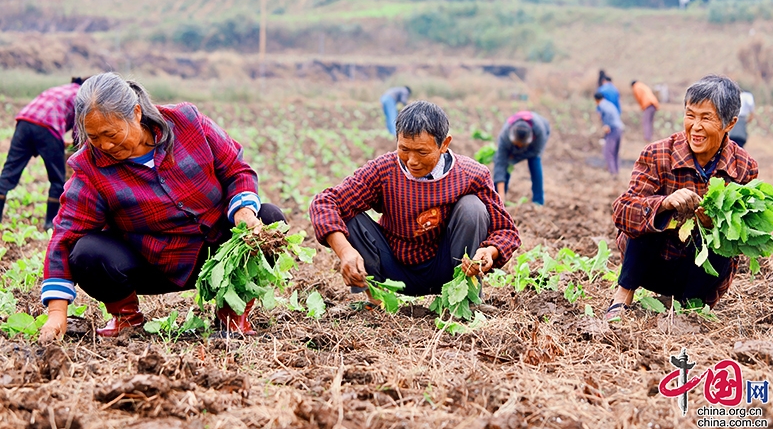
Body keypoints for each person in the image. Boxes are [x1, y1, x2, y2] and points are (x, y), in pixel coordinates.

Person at [38, 73, 285, 343]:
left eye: (111, 134)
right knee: (86, 252)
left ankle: (232, 311)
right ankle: (126, 320)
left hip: (217, 252)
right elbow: (66, 234)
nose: (105, 145)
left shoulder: (187, 122)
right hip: (153, 263)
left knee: (269, 220)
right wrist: (56, 311)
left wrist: (243, 213)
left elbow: (236, 169)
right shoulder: (90, 167)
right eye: (94, 137)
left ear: (136, 112)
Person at [309, 101, 520, 299]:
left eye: (422, 152)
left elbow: (506, 231)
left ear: (444, 144)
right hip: (392, 268)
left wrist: (488, 252)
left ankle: (464, 298)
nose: (412, 161)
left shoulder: (471, 174)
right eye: (404, 149)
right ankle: (376, 299)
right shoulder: (383, 170)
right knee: (350, 215)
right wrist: (345, 251)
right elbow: (325, 202)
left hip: (448, 267)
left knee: (472, 207)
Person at [606, 75, 758, 320]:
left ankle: (689, 306)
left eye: (706, 118)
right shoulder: (658, 154)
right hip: (650, 264)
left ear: (729, 124)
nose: (695, 126)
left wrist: (716, 223)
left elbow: (749, 237)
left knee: (725, 234)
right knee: (650, 213)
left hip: (697, 275)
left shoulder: (743, 167)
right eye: (690, 115)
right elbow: (622, 211)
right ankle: (624, 293)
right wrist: (664, 204)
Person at [0, 76, 84, 229]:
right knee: (58, 180)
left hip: (24, 123)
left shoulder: (60, 89)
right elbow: (78, 132)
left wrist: (58, 142)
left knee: (8, 174)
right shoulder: (83, 94)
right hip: (48, 128)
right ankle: (49, 224)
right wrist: (77, 147)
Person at [493, 111, 550, 205]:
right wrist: (501, 195)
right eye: (517, 144)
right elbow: (500, 164)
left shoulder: (539, 131)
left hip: (542, 132)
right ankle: (498, 199)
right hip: (511, 141)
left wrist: (514, 158)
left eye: (522, 144)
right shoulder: (505, 136)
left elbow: (535, 152)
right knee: (504, 163)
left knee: (535, 161)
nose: (519, 146)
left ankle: (538, 201)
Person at [594, 92, 624, 176]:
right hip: (619, 128)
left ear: (596, 100)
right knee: (615, 152)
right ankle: (616, 171)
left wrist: (606, 125)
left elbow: (605, 116)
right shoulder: (610, 104)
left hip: (612, 129)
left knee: (608, 152)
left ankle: (612, 173)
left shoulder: (602, 106)